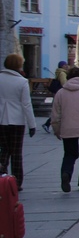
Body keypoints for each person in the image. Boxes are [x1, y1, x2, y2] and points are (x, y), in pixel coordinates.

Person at [0, 54, 37, 190]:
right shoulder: (21, 81)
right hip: (16, 120)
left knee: (3, 149)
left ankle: (1, 173)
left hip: (1, 119)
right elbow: (26, 104)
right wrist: (32, 125)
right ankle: (16, 181)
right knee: (16, 152)